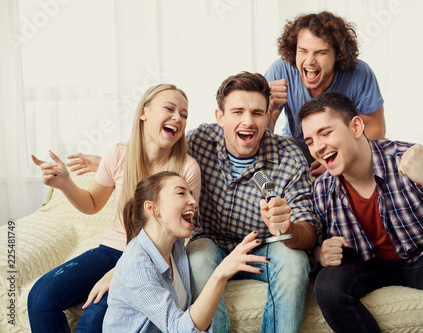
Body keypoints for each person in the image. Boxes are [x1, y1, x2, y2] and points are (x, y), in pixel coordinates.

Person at [298, 91, 423, 333]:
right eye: (310, 141)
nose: (318, 147)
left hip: (420, 259)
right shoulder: (322, 189)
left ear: (356, 126)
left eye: (325, 132)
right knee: (327, 286)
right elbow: (314, 246)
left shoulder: (409, 159)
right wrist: (321, 253)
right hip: (366, 265)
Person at [28, 84, 201, 333]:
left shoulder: (187, 169)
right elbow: (92, 203)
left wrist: (121, 271)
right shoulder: (118, 155)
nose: (178, 118)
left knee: (92, 321)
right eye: (169, 109)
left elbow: (178, 234)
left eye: (184, 115)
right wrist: (65, 184)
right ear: (144, 112)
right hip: (110, 250)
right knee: (40, 297)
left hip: (151, 258)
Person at [186, 72, 321, 333]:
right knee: (197, 256)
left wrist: (287, 228)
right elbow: (153, 152)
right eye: (237, 111)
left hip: (263, 249)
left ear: (267, 116)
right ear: (220, 117)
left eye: (257, 113)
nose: (248, 122)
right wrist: (107, 162)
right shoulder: (198, 141)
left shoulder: (289, 156)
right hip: (211, 244)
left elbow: (309, 233)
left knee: (295, 260)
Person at [103, 171, 269, 332]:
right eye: (181, 193)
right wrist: (220, 274)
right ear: (153, 208)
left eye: (191, 193)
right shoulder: (137, 265)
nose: (193, 201)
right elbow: (178, 329)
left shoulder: (176, 247)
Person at [265, 11, 385, 176]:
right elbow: (263, 134)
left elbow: (375, 128)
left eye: (321, 53)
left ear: (337, 55)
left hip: (344, 150)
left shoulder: (360, 73)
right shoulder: (281, 70)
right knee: (282, 145)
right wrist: (268, 108)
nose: (309, 61)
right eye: (303, 51)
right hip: (299, 150)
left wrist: (334, 162)